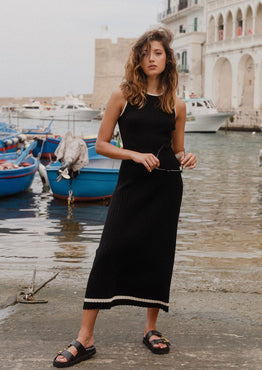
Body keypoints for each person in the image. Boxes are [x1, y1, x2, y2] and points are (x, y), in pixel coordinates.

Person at [53, 27, 196, 368]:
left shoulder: (177, 104)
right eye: (146, 53)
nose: (152, 58)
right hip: (131, 185)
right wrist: (132, 155)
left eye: (158, 53)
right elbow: (101, 144)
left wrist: (188, 157)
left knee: (158, 254)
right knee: (108, 252)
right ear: (138, 58)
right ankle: (85, 339)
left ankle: (151, 329)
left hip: (165, 188)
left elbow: (176, 150)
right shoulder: (123, 95)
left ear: (167, 59)